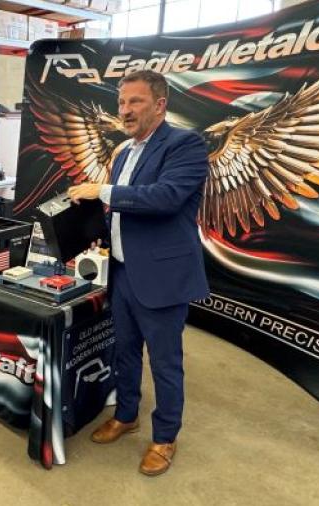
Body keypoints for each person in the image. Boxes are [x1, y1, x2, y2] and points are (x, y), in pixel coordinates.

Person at [67, 70, 209, 477]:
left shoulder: (185, 145)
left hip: (162, 276)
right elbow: (122, 210)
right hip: (123, 271)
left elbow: (165, 198)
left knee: (165, 362)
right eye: (121, 103)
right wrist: (92, 222)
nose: (125, 111)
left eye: (135, 102)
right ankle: (127, 414)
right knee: (124, 351)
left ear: (160, 105)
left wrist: (102, 192)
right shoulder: (126, 152)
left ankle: (165, 438)